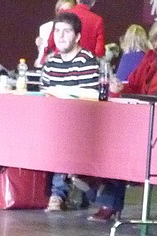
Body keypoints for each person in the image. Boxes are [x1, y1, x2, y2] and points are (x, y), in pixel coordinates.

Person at [74, 16, 157, 222]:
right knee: (111, 136)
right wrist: (120, 88)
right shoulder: (148, 59)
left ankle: (101, 190)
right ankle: (98, 185)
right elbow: (134, 86)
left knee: (120, 142)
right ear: (155, 42)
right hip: (139, 118)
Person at [40, 11, 100, 213]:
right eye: (57, 31)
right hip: (54, 122)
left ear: (78, 37)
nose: (61, 36)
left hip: (82, 125)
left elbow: (89, 98)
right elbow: (44, 95)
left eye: (67, 31)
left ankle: (58, 193)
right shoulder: (51, 63)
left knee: (64, 134)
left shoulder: (87, 61)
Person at [34, 0, 76, 68]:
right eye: (60, 10)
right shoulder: (46, 27)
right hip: (46, 67)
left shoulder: (75, 29)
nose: (63, 14)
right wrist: (39, 48)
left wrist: (55, 55)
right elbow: (43, 52)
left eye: (67, 11)